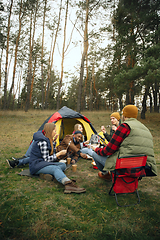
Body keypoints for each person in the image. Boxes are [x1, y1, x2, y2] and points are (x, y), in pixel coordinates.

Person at [90, 105, 157, 180]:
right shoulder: (145, 128)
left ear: (124, 115)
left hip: (125, 166)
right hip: (143, 167)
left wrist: (96, 149)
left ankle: (106, 174)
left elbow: (108, 150)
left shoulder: (124, 126)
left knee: (94, 154)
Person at [29, 122, 86, 194]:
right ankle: (68, 184)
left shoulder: (47, 138)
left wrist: (53, 141)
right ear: (50, 131)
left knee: (62, 165)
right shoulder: (42, 141)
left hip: (42, 163)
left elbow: (49, 151)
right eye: (55, 131)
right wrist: (59, 153)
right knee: (55, 168)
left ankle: (44, 174)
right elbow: (47, 159)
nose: (56, 132)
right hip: (36, 165)